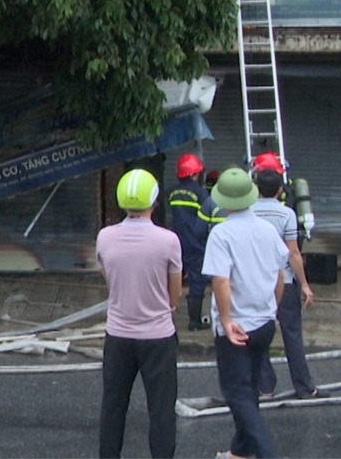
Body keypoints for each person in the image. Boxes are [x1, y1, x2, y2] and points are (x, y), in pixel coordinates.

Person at [203, 167, 288, 459]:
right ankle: (239, 452)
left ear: (222, 200)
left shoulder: (221, 233)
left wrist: (225, 320)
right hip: (264, 322)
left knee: (238, 394)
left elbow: (220, 280)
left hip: (236, 327)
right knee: (249, 391)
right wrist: (273, 309)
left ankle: (266, 454)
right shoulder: (267, 230)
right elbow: (279, 275)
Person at [96, 169, 182, 459]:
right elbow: (175, 292)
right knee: (161, 409)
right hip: (158, 336)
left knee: (113, 406)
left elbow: (110, 279)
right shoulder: (168, 240)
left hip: (118, 335)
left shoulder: (104, 237)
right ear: (154, 200)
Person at [251, 167, 324, 400]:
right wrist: (304, 284)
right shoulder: (287, 215)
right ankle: (304, 386)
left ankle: (265, 387)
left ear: (256, 188)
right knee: (292, 335)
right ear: (280, 190)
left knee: (259, 333)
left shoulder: (248, 212)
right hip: (284, 281)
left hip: (256, 282)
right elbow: (293, 253)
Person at [167, 153, 222, 331]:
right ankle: (194, 322)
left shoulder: (172, 193)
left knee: (171, 278)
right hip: (196, 244)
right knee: (197, 281)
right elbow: (203, 223)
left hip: (177, 243)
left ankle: (165, 317)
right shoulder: (201, 194)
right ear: (193, 174)